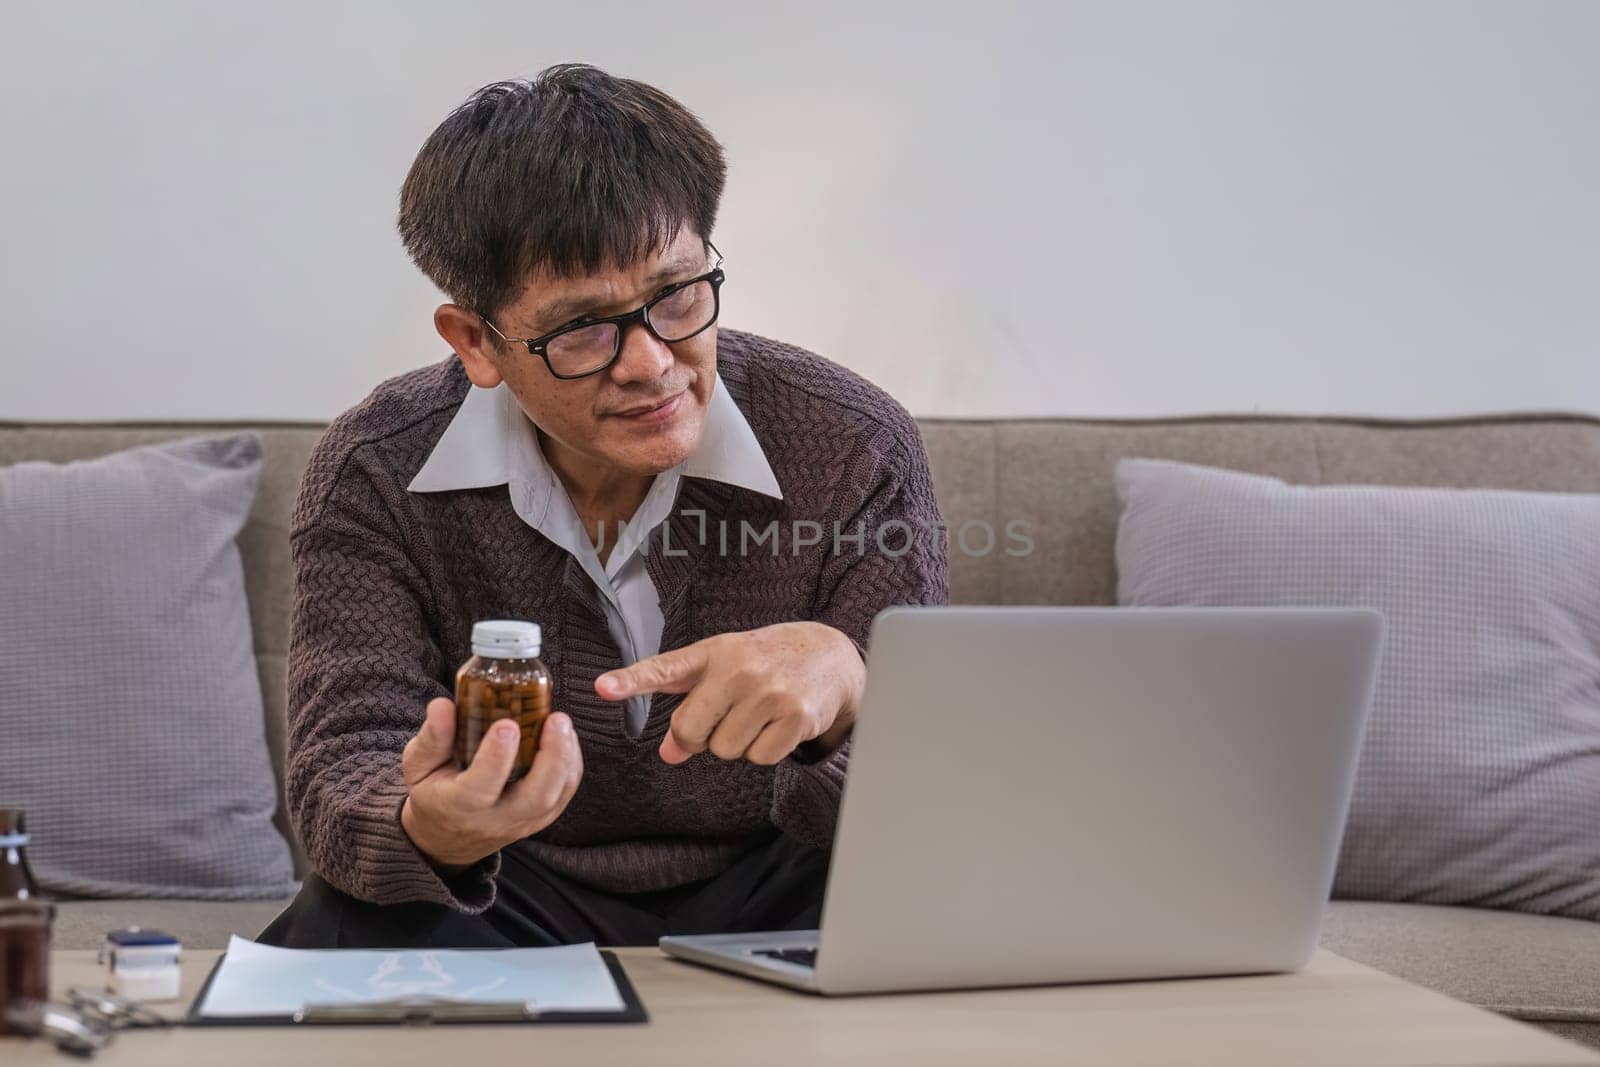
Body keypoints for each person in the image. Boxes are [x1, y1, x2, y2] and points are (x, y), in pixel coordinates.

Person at [261, 64, 948, 949]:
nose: (652, 363)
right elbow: (340, 770)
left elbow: (930, 790)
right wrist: (430, 823)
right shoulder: (376, 469)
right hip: (511, 885)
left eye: (677, 295)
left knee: (946, 904)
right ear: (477, 341)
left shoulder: (853, 441)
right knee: (341, 917)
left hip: (786, 872)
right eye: (584, 327)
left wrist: (853, 687)